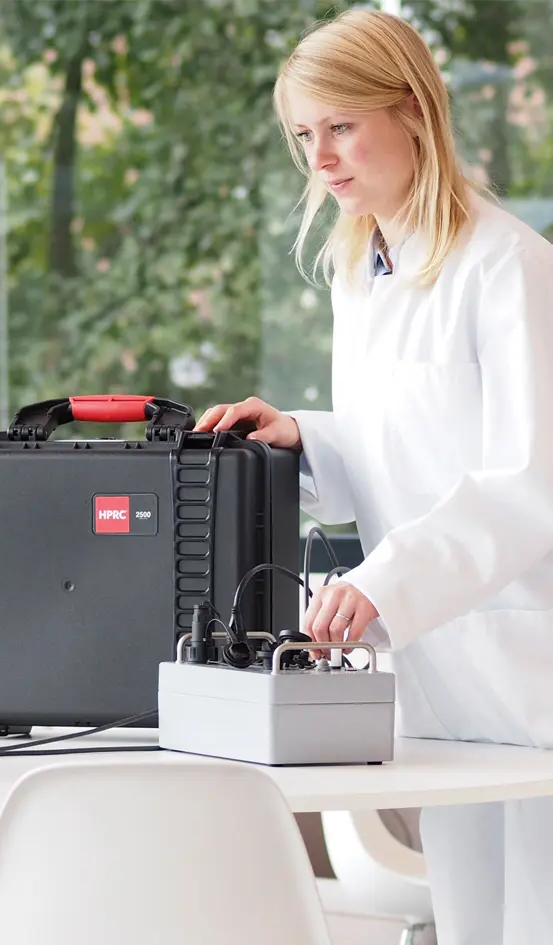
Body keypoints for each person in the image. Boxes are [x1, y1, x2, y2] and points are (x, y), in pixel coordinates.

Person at [194, 8, 553, 945]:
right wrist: (303, 438)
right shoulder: (364, 272)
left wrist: (382, 581)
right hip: (445, 673)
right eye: (303, 135)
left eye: (340, 126)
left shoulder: (508, 266)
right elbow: (401, 445)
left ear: (412, 111)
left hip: (527, 667)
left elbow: (528, 481)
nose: (320, 159)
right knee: (471, 917)